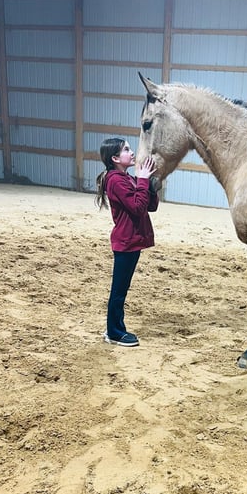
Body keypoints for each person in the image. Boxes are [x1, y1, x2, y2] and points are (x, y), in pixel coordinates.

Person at [95, 138, 158, 347]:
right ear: (115, 158)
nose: (132, 153)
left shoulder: (126, 178)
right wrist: (142, 180)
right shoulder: (115, 180)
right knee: (119, 290)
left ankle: (115, 328)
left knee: (122, 288)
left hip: (132, 242)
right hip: (125, 242)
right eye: (126, 150)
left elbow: (150, 206)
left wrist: (150, 184)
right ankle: (114, 332)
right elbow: (137, 207)